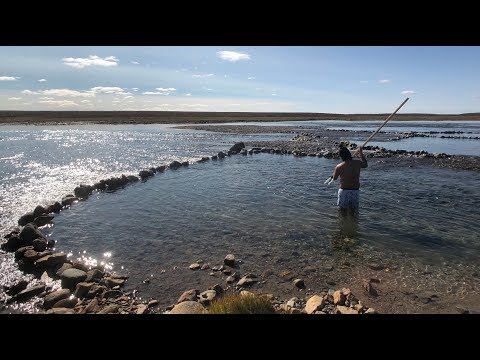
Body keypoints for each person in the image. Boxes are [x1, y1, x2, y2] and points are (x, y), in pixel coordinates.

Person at [331, 145, 368, 214]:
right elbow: (365, 165)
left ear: (341, 156)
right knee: (353, 212)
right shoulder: (358, 163)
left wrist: (333, 174)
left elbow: (334, 178)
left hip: (344, 191)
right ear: (349, 154)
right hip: (355, 190)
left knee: (342, 212)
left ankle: (342, 224)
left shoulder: (339, 166)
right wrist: (361, 153)